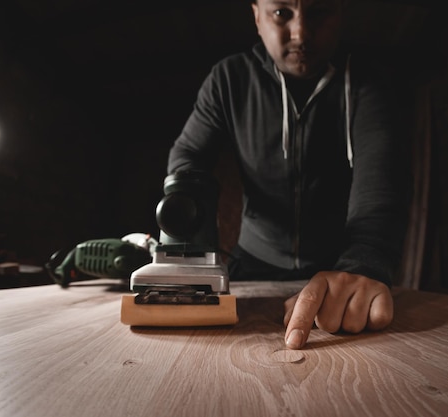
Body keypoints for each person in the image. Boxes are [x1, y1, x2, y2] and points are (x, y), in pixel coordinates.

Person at [166, 0, 411, 349]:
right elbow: (187, 154)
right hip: (252, 261)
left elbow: (382, 177)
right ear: (257, 16)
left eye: (319, 12)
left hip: (337, 266)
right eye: (282, 13)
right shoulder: (228, 79)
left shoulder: (369, 81)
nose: (301, 33)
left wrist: (364, 263)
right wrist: (189, 220)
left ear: (340, 13)